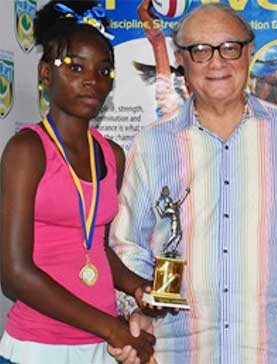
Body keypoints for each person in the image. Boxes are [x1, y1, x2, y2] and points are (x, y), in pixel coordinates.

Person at [110, 3, 277, 363]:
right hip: (177, 350)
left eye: (229, 47)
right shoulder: (153, 143)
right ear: (182, 60)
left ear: (249, 52)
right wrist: (139, 307)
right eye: (200, 50)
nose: (216, 63)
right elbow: (128, 244)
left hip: (270, 349)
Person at [0, 1, 156, 363]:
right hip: (38, 347)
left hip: (99, 347)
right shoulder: (27, 150)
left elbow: (93, 249)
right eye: (75, 67)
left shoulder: (111, 154)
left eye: (104, 71)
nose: (92, 80)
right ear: (44, 73)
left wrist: (136, 286)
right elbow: (15, 274)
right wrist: (111, 326)